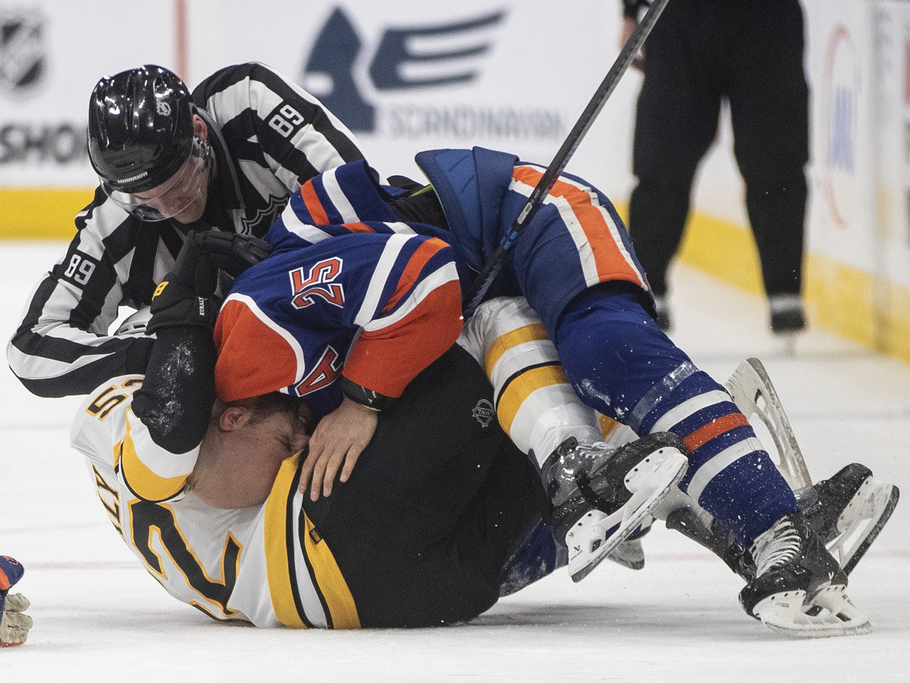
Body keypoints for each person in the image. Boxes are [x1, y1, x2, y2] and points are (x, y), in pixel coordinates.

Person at [186, 147, 872, 633]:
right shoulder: (290, 354)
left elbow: (432, 275)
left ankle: (777, 527)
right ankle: (724, 507)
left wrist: (364, 402)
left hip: (537, 213)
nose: (298, 444)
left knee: (604, 348)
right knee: (518, 510)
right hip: (483, 299)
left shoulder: (276, 291)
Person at [71, 292, 891, 633]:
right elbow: (169, 418)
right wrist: (186, 305)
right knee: (484, 312)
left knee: (534, 436)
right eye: (291, 432)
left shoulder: (188, 496)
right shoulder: (136, 416)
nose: (304, 435)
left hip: (432, 595)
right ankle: (601, 473)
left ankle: (763, 543)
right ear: (232, 410)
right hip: (342, 534)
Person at [7, 62, 364, 397]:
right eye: (142, 200)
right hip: (247, 390)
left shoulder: (250, 109)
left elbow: (365, 212)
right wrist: (160, 352)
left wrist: (270, 271)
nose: (165, 208)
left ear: (199, 134)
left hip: (346, 326)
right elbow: (32, 347)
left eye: (174, 186)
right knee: (158, 330)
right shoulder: (113, 221)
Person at [621, 0, 810, 334]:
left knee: (776, 161)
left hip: (767, 19)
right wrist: (630, 10)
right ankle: (647, 288)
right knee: (662, 161)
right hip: (680, 18)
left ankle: (785, 292)